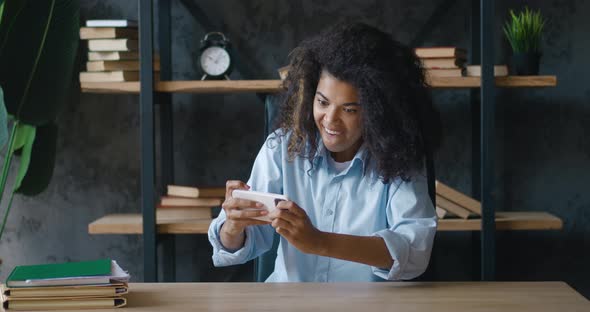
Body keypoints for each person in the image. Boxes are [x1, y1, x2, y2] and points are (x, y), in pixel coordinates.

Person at [208, 22, 441, 282]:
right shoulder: (283, 147)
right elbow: (234, 247)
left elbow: (414, 249)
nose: (330, 120)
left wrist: (319, 242)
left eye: (350, 109)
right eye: (322, 102)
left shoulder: (400, 156)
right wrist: (233, 225)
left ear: (379, 112)